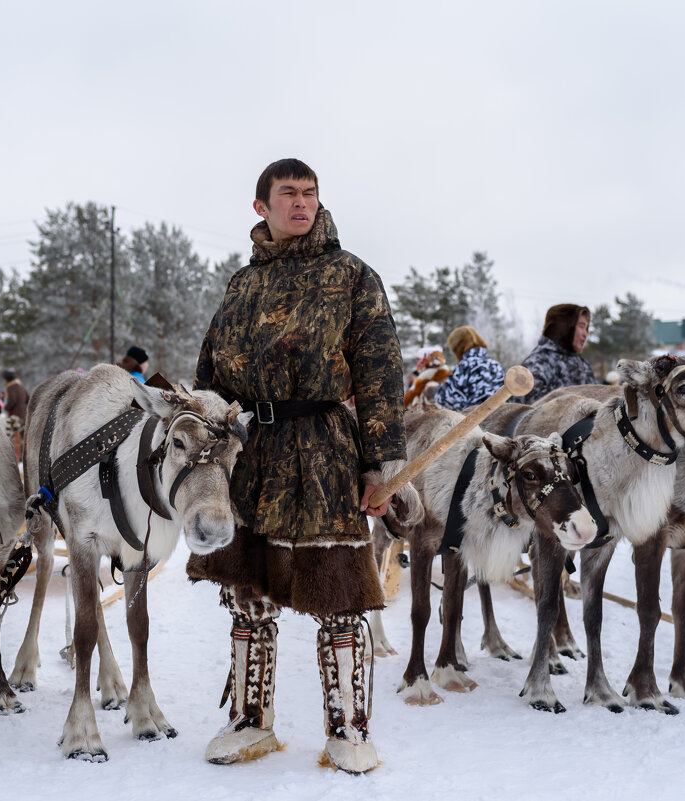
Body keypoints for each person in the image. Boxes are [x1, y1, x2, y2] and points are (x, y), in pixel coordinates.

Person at [187, 158, 406, 773]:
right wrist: (204, 447)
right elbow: (209, 376)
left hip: (324, 450)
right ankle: (251, 723)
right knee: (247, 591)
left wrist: (380, 464)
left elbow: (380, 374)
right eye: (289, 194)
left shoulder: (351, 276)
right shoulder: (241, 285)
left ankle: (348, 730)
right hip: (250, 452)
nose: (302, 203)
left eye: (310, 193)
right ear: (262, 207)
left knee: (337, 594)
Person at [512, 303, 597, 404]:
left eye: (587, 328)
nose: (585, 334)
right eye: (581, 326)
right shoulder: (538, 362)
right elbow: (526, 406)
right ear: (564, 326)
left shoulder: (583, 365)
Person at [434, 325, 505, 411]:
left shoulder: (465, 366)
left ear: (458, 348)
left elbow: (449, 399)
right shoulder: (496, 365)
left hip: (475, 421)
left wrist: (435, 390)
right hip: (499, 419)